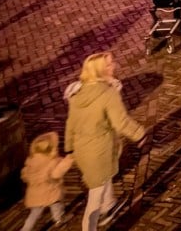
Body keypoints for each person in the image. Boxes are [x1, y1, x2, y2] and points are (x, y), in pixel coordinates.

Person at [64, 52, 148, 231]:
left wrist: (69, 148)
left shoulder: (77, 94)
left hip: (82, 150)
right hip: (99, 150)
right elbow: (121, 122)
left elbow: (70, 123)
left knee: (102, 180)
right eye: (109, 65)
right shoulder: (107, 93)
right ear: (100, 71)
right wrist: (140, 134)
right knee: (94, 199)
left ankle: (109, 205)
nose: (114, 66)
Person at [19, 131, 74, 231]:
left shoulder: (31, 161)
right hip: (50, 191)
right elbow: (56, 174)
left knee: (34, 214)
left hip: (35, 194)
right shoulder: (52, 161)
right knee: (56, 205)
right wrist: (68, 160)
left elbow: (25, 174)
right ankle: (59, 220)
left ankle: (25, 229)